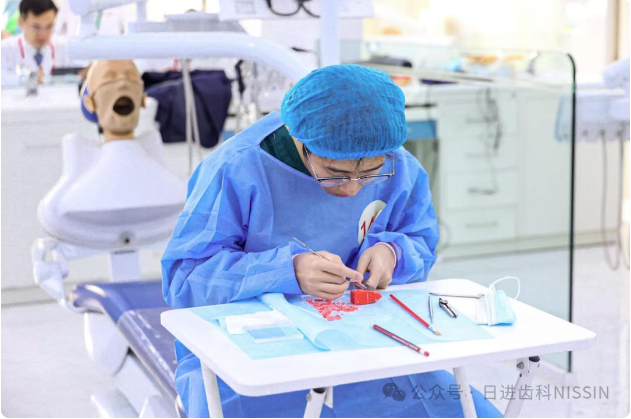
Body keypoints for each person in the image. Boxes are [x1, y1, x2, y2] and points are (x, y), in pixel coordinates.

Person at [161, 64, 502, 418]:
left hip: (368, 343)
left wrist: (393, 253)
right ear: (299, 139)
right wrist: (287, 270)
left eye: (369, 174)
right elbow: (186, 277)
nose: (352, 189)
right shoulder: (239, 168)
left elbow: (419, 238)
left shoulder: (398, 163)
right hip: (252, 353)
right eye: (335, 174)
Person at [1, 0, 70, 86]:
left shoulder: (64, 47)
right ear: (21, 22)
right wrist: (27, 79)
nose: (43, 34)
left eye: (49, 27)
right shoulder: (5, 49)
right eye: (36, 27)